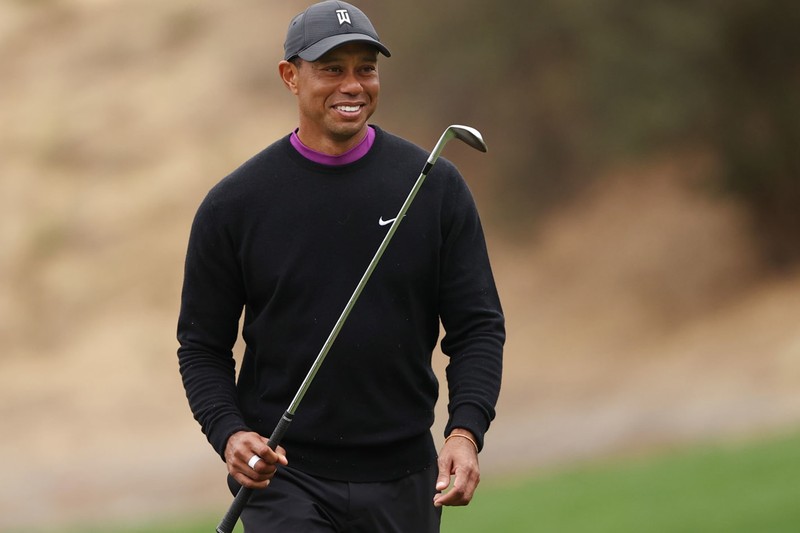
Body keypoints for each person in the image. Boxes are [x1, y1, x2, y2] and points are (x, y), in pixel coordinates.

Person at [176, 1, 504, 531]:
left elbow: (477, 327)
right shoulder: (234, 205)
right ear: (290, 76)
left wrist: (465, 432)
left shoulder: (434, 187)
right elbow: (201, 346)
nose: (352, 85)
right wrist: (230, 434)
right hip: (286, 478)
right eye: (332, 69)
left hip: (406, 477)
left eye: (365, 69)